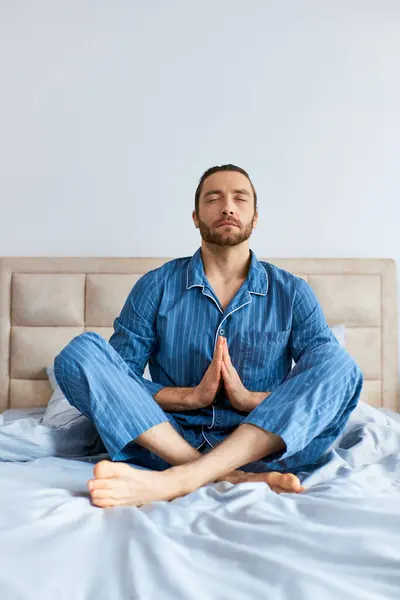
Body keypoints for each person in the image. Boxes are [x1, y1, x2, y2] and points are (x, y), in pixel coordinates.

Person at [54, 164, 364, 508]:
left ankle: (183, 478)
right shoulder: (155, 286)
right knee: (81, 352)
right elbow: (119, 378)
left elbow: (321, 385)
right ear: (196, 217)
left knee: (340, 364)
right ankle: (222, 475)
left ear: (255, 217)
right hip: (167, 440)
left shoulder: (293, 292)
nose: (227, 207)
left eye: (239, 199)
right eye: (213, 199)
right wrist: (189, 398)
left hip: (265, 447)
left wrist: (248, 399)